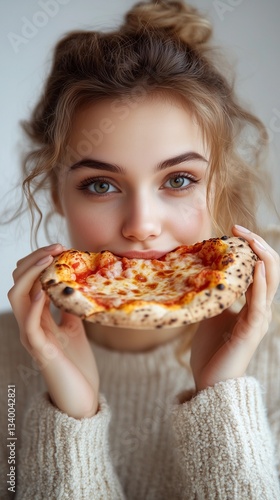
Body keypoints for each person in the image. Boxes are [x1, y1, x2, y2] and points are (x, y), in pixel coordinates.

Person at [1, 1, 279, 498]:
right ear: (53, 192)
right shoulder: (7, 363)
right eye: (101, 185)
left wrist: (220, 395)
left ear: (221, 184)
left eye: (178, 179)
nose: (141, 226)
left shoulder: (275, 352)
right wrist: (71, 410)